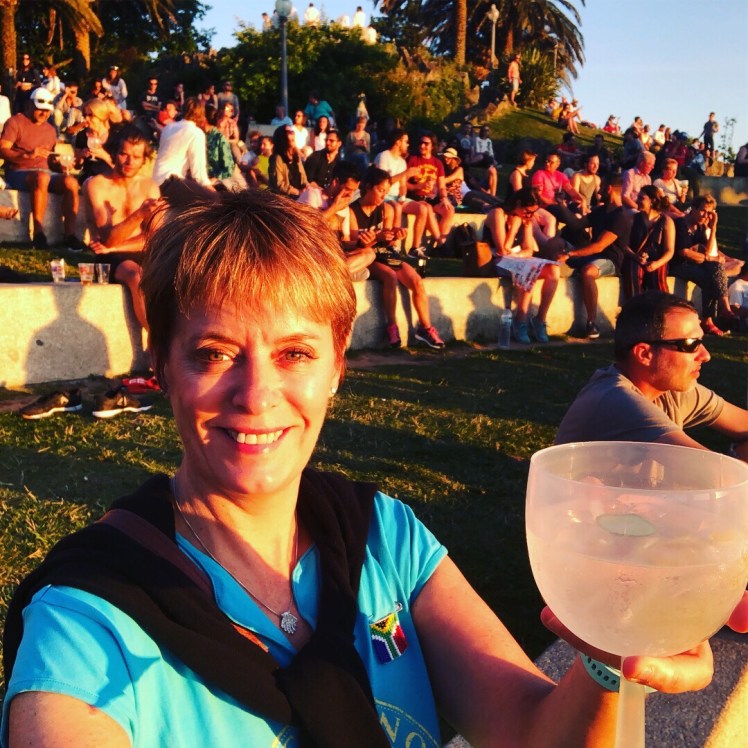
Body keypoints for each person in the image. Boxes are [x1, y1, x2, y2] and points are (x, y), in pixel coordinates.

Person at [4, 191, 740, 748]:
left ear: (337, 369)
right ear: (162, 366)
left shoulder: (384, 534)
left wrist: (613, 652)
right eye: (213, 353)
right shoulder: (87, 616)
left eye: (295, 354)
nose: (257, 394)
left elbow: (529, 733)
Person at [556, 291, 748, 462]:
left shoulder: (669, 389)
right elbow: (714, 475)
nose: (706, 355)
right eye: (691, 344)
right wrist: (738, 457)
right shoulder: (615, 400)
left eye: (701, 341)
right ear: (644, 354)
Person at [348, 167, 446, 350]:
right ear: (368, 187)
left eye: (386, 192)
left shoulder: (386, 209)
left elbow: (389, 240)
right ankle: (392, 327)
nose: (383, 195)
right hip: (368, 256)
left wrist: (396, 235)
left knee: (416, 280)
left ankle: (426, 328)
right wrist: (378, 238)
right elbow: (356, 245)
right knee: (389, 276)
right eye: (380, 190)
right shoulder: (352, 211)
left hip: (385, 253)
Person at [82, 125, 161, 331]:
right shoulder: (97, 185)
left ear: (144, 159)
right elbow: (107, 240)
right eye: (124, 154)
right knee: (136, 275)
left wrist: (117, 245)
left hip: (140, 250)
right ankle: (157, 342)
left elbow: (156, 237)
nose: (129, 161)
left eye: (136, 157)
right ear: (114, 153)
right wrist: (139, 215)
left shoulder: (149, 186)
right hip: (111, 259)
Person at [0, 87, 80, 249]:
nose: (44, 113)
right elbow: (2, 150)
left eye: (47, 111)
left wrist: (59, 163)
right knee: (41, 178)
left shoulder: (50, 129)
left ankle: (70, 235)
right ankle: (38, 233)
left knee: (70, 182)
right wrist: (26, 155)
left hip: (45, 171)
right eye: (40, 109)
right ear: (29, 105)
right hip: (18, 171)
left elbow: (49, 159)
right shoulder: (15, 122)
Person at [557, 174, 633, 339]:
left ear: (609, 189)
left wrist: (571, 254)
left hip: (610, 260)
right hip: (591, 256)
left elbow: (600, 246)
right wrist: (561, 205)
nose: (599, 191)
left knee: (588, 271)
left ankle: (591, 322)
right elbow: (576, 224)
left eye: (602, 187)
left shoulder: (620, 216)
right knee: (555, 248)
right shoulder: (600, 211)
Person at [489, 188, 560, 344]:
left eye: (533, 212)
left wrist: (520, 253)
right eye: (528, 211)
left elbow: (529, 249)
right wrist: (514, 229)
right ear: (518, 203)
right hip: (498, 260)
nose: (529, 215)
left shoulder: (525, 218)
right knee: (530, 268)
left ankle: (540, 319)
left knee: (553, 270)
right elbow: (502, 250)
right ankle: (520, 320)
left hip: (516, 258)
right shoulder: (498, 213)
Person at [670, 195, 735, 336]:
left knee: (716, 268)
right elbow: (684, 252)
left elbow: (707, 250)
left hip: (695, 264)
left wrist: (713, 228)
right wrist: (707, 258)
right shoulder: (681, 223)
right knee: (709, 275)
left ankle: (721, 312)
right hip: (678, 265)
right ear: (693, 209)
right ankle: (712, 317)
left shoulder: (700, 226)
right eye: (703, 211)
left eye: (709, 212)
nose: (705, 215)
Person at [373, 128, 431, 257]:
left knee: (422, 209)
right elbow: (383, 183)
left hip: (396, 197)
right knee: (397, 207)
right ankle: (393, 245)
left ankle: (415, 248)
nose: (408, 144)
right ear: (398, 142)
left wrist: (403, 196)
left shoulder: (402, 162)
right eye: (406, 141)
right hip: (384, 195)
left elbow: (403, 185)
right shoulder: (383, 157)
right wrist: (406, 173)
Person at [621, 185, 674, 300]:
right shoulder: (632, 219)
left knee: (658, 276)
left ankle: (664, 306)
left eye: (641, 198)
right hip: (635, 259)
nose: (637, 201)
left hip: (657, 261)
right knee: (634, 271)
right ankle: (635, 305)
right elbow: (624, 244)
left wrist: (656, 264)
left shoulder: (666, 221)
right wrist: (635, 256)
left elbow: (669, 250)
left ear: (652, 201)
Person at [406, 132, 455, 249]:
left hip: (432, 197)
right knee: (426, 208)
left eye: (426, 143)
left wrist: (444, 198)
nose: (422, 146)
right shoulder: (413, 160)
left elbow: (441, 186)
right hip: (416, 197)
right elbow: (404, 183)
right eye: (421, 143)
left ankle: (439, 245)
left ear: (432, 146)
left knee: (449, 210)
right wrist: (418, 186)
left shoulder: (437, 163)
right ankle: (441, 245)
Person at [530, 151, 588, 247]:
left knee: (576, 207)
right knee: (567, 213)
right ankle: (583, 238)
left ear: (558, 164)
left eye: (551, 162)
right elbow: (538, 196)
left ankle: (578, 235)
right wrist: (555, 203)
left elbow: (570, 190)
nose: (547, 163)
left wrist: (582, 199)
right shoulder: (539, 174)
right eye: (547, 161)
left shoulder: (561, 175)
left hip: (558, 204)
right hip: (547, 206)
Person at [151, 98, 212, 188]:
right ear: (201, 114)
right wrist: (214, 193)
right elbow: (199, 175)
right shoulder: (196, 133)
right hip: (170, 183)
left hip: (155, 180)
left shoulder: (168, 127)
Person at [74, 97, 123, 182]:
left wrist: (104, 156)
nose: (86, 119)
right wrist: (81, 155)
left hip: (110, 180)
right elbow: (77, 166)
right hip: (88, 179)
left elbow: (121, 169)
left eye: (90, 115)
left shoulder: (115, 136)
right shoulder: (82, 135)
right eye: (85, 115)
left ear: (101, 115)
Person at [269, 125, 307, 197]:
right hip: (286, 197)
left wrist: (308, 188)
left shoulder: (296, 156)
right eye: (289, 132)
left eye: (293, 132)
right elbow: (279, 185)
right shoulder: (277, 158)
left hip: (300, 195)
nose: (293, 134)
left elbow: (303, 178)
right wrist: (298, 192)